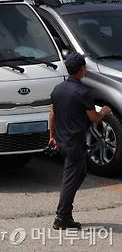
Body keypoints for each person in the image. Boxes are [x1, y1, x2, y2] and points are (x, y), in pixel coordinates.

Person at [49, 52, 112, 230]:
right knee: (71, 180)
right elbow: (94, 118)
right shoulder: (83, 92)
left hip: (62, 141)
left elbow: (52, 113)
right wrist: (105, 111)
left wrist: (51, 135)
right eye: (84, 66)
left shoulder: (58, 89)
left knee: (80, 172)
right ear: (82, 69)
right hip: (74, 143)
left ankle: (66, 213)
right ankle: (61, 218)